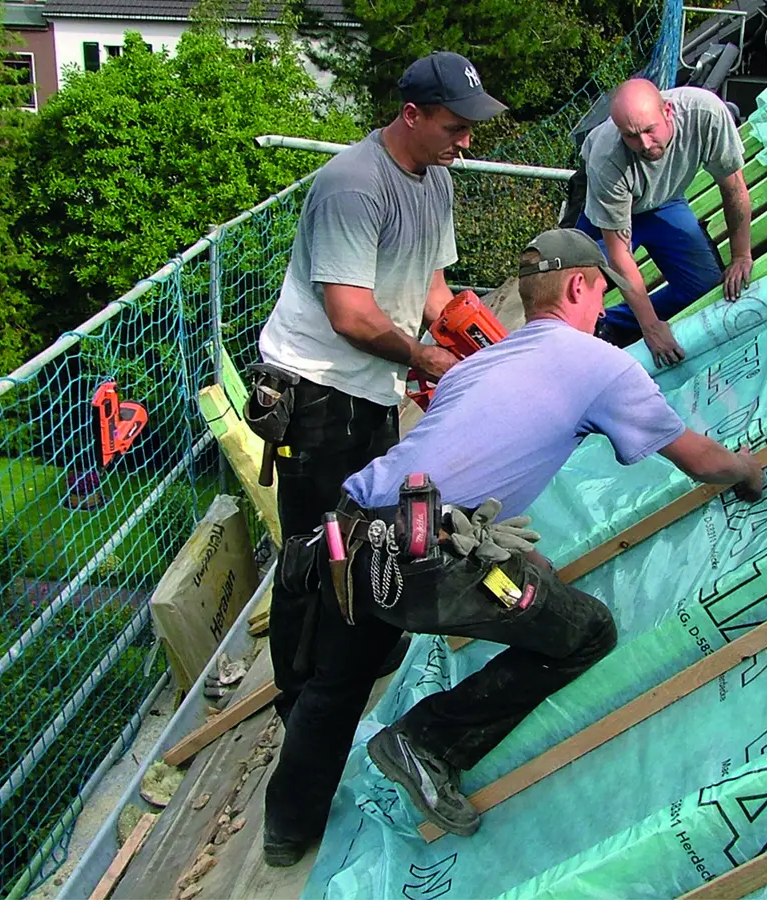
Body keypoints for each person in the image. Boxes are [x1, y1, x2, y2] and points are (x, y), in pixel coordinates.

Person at [261, 229, 767, 863]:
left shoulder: (481, 364)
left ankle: (286, 833)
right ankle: (426, 743)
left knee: (338, 682)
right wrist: (746, 469)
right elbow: (699, 460)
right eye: (601, 290)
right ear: (580, 285)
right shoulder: (601, 365)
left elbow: (476, 467)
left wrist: (522, 563)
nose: (600, 303)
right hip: (428, 559)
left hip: (351, 530)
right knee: (584, 632)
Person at [252, 51, 508, 721]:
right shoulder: (353, 186)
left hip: (369, 386)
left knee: (367, 523)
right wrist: (426, 362)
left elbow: (430, 286)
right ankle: (297, 695)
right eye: (455, 127)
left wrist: (464, 342)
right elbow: (350, 315)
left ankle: (359, 643)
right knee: (314, 544)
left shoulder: (434, 180)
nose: (466, 142)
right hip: (314, 391)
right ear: (413, 114)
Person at [577, 78, 754, 368]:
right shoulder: (607, 158)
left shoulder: (706, 115)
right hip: (608, 214)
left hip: (665, 201)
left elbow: (733, 188)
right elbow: (620, 254)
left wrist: (741, 255)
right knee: (578, 292)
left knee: (704, 285)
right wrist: (650, 327)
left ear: (668, 111)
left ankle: (619, 322)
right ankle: (603, 330)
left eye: (649, 130)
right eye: (632, 136)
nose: (644, 144)